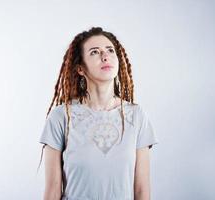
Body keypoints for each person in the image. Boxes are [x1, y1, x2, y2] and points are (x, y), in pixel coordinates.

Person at [37, 27, 158, 200]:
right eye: (95, 52)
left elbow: (142, 191)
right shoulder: (61, 116)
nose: (105, 56)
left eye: (110, 50)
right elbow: (53, 190)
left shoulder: (137, 116)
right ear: (80, 69)